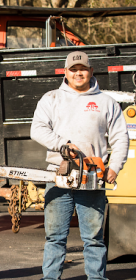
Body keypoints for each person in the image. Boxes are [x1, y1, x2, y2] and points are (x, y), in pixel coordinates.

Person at [31, 51, 129, 280]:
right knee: (55, 236)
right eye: (73, 70)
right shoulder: (52, 98)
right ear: (65, 72)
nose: (78, 74)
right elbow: (37, 129)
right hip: (59, 175)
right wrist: (62, 145)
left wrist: (114, 166)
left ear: (91, 71)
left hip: (93, 177)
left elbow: (120, 137)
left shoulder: (106, 102)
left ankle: (96, 278)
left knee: (94, 238)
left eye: (82, 69)